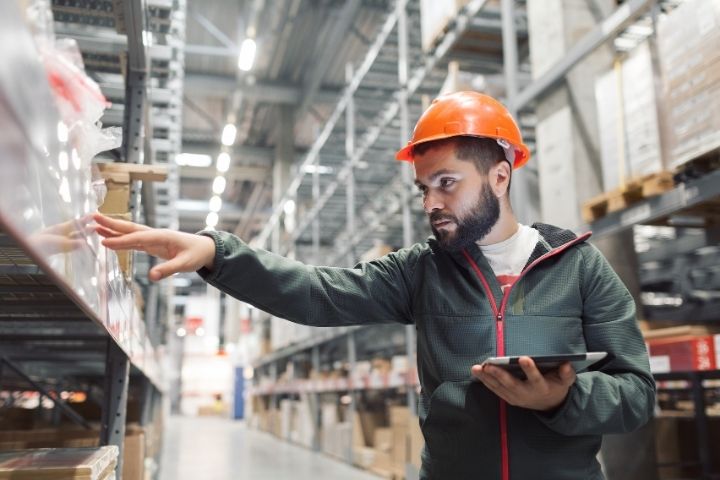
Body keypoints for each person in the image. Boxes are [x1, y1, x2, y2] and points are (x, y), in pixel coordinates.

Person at [94, 91, 655, 480]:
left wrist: (562, 397)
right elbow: (318, 293)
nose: (431, 202)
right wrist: (220, 253)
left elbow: (635, 395)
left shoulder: (580, 268)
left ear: (500, 176)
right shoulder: (422, 270)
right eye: (423, 188)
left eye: (447, 183)